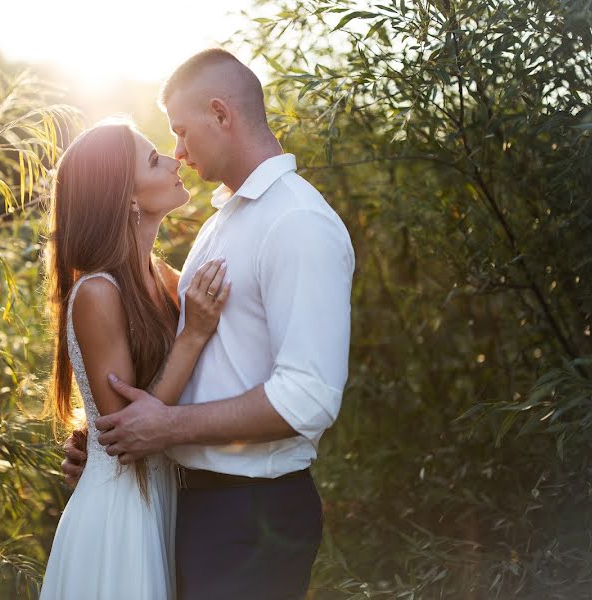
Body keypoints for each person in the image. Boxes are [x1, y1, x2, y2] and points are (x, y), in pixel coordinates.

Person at [61, 49, 355, 599]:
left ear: (221, 114)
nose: (177, 152)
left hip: (251, 514)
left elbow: (309, 398)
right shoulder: (223, 222)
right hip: (187, 503)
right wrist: (107, 447)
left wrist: (161, 430)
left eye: (179, 131)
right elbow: (156, 344)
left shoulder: (297, 223)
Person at [39, 120, 231, 599]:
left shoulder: (164, 278)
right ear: (125, 196)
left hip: (162, 496)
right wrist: (193, 335)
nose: (174, 160)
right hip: (119, 511)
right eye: (153, 160)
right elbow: (127, 433)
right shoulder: (97, 292)